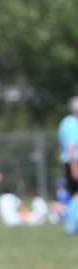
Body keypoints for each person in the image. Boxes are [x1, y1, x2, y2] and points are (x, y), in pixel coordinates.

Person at [58, 97, 78, 235]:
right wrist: (74, 167)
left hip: (71, 162)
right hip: (75, 162)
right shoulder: (72, 124)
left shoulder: (65, 122)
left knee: (74, 194)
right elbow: (71, 147)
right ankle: (70, 226)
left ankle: (71, 226)